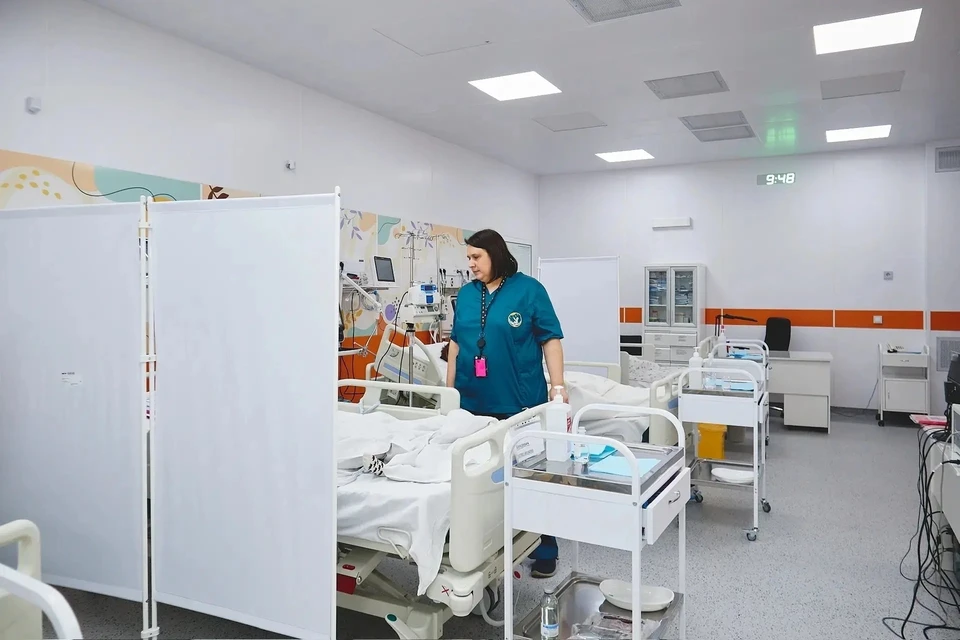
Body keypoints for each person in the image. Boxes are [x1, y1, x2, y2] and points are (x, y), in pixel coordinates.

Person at [445, 228, 566, 578]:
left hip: (519, 401)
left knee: (532, 477)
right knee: (479, 480)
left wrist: (558, 386)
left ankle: (545, 546)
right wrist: (449, 393)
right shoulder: (467, 294)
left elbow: (550, 340)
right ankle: (485, 542)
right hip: (472, 402)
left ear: (495, 254)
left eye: (476, 257)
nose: (470, 264)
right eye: (468, 258)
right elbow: (456, 345)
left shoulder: (529, 290)